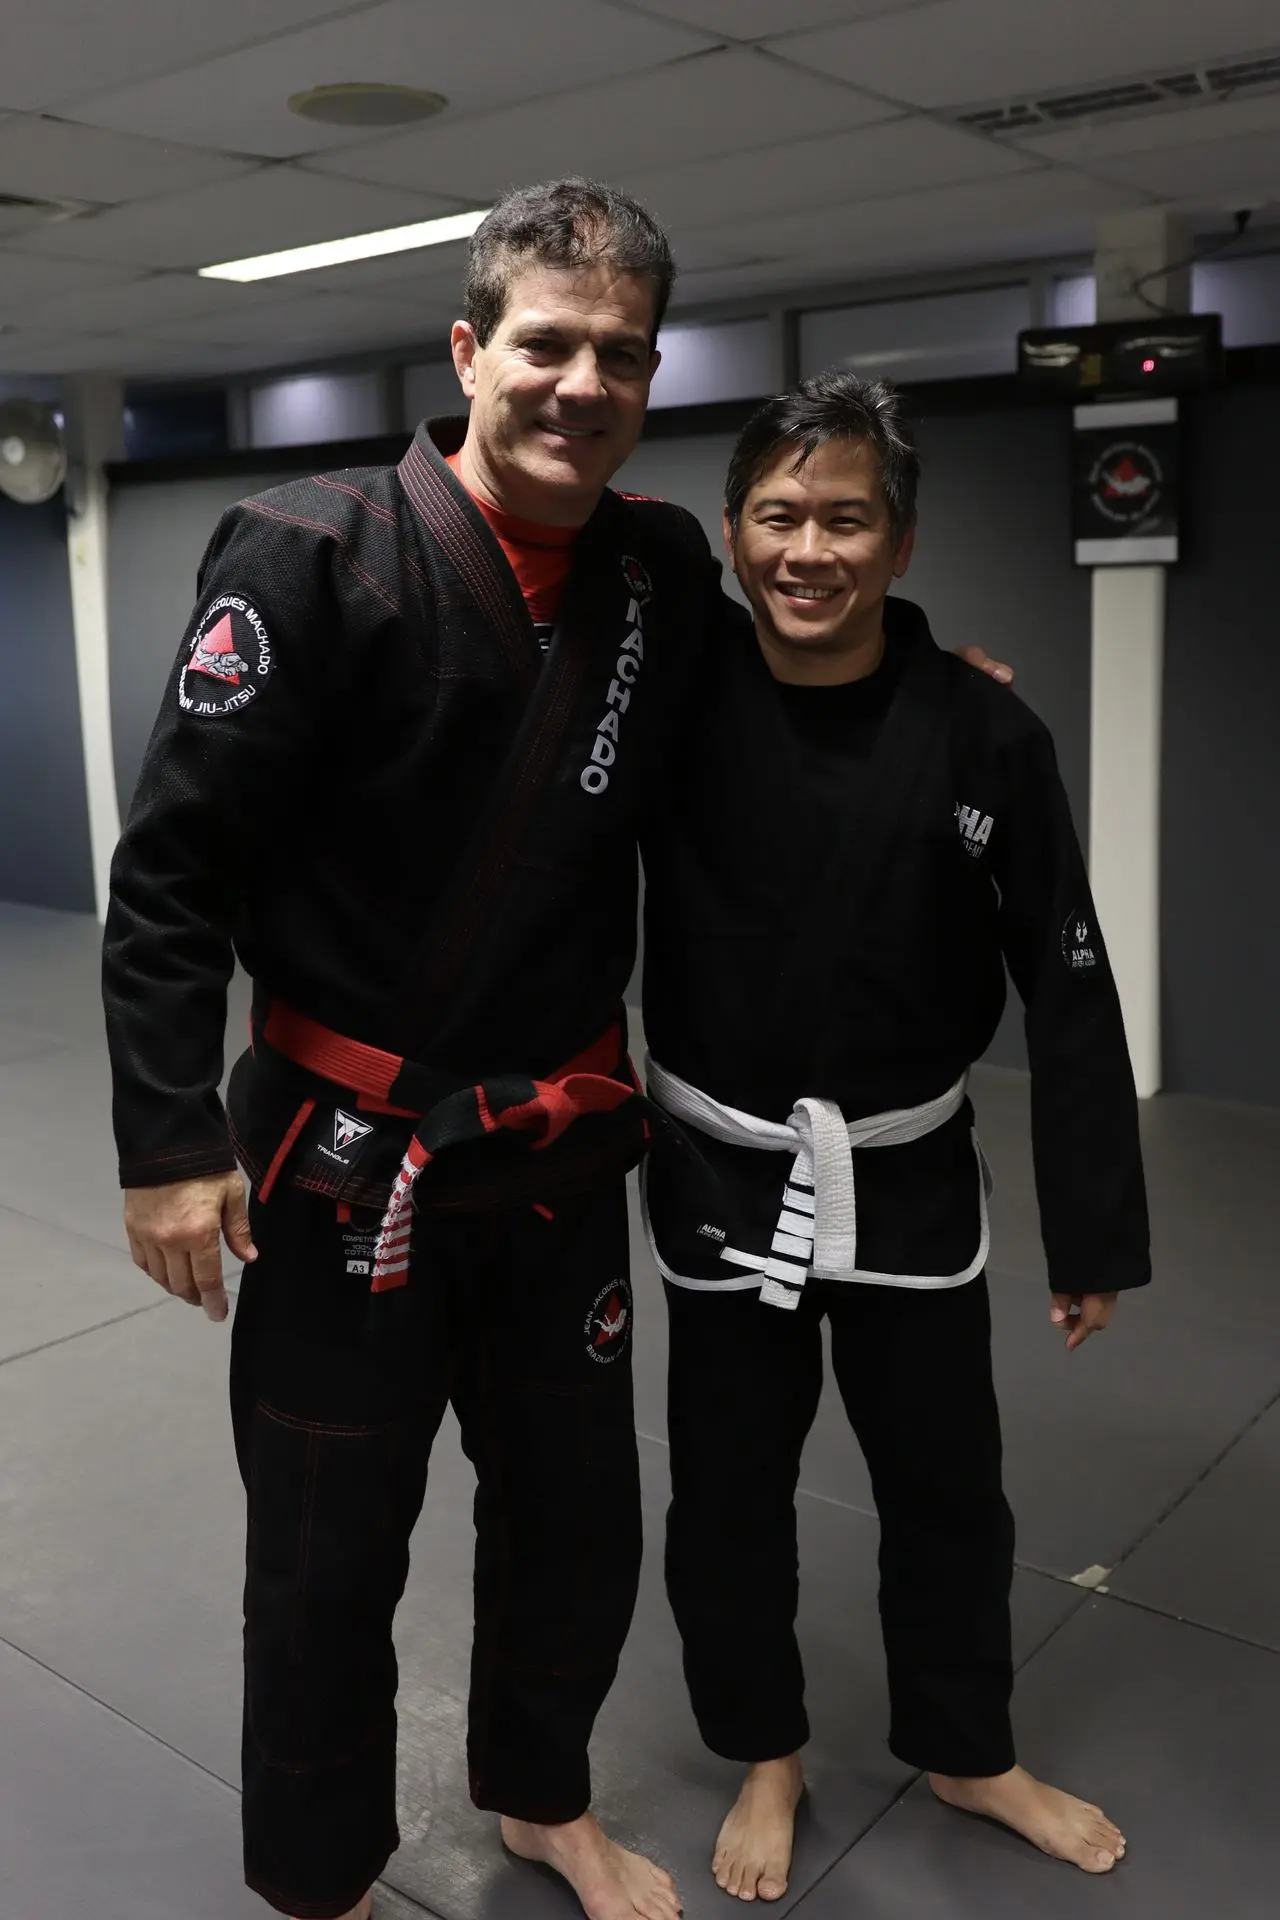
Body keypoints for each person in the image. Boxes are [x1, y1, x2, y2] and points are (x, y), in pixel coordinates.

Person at [103, 178, 721, 1920]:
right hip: (339, 1166)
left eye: (619, 352)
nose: (579, 383)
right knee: (323, 1559)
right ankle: (318, 1880)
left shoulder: (658, 573)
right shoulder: (308, 556)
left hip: (554, 1161)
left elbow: (758, 732)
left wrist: (922, 687)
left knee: (578, 1526)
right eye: (546, 343)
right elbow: (172, 874)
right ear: (471, 351)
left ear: (651, 372)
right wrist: (166, 1140)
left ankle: (538, 1795)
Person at [640, 372, 1151, 1904]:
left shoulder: (985, 732)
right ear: (733, 536)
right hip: (726, 1173)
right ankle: (768, 1752)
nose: (812, 549)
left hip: (911, 1177)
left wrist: (1093, 1224)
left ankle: (965, 1746)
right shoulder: (671, 702)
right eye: (779, 515)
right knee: (729, 1489)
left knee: (946, 1483)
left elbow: (1067, 974)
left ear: (902, 542)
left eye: (846, 517)